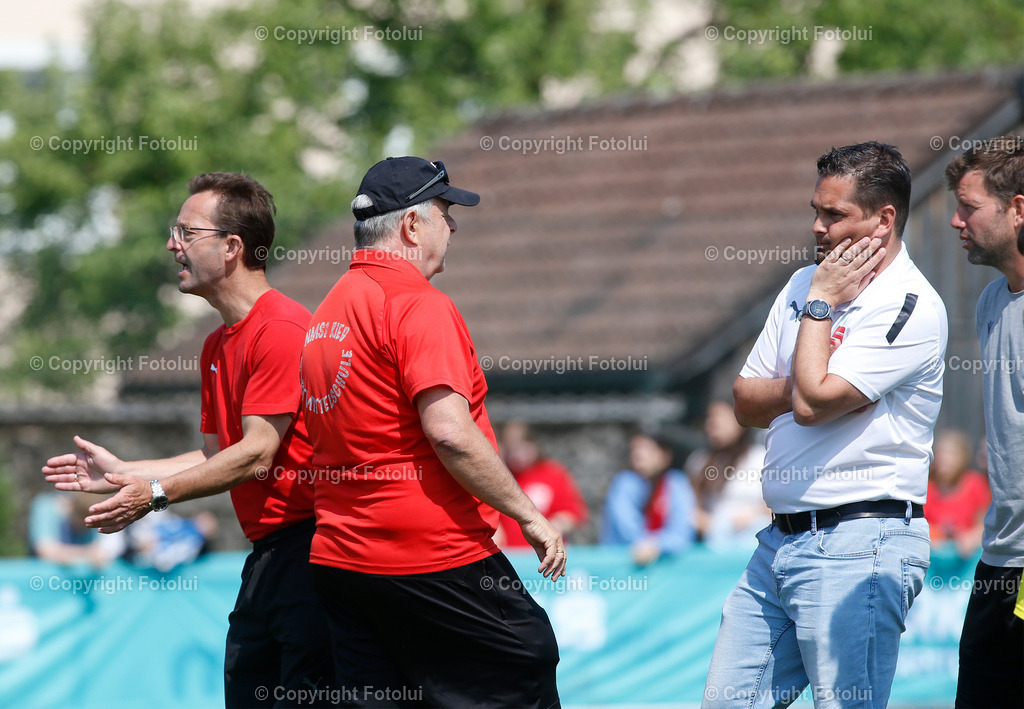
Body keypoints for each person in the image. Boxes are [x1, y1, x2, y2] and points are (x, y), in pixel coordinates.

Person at [40, 173, 333, 708]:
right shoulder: (217, 344)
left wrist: (154, 495)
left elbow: (257, 453)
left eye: (186, 232)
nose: (171, 244)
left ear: (232, 247)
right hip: (269, 559)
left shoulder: (283, 328)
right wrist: (124, 473)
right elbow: (216, 454)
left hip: (312, 555)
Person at [299, 156, 565, 708]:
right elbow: (449, 432)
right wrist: (529, 515)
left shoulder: (328, 310)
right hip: (428, 552)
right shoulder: (417, 304)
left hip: (343, 558)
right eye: (445, 213)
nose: (454, 226)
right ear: (411, 225)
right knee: (525, 660)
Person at [703, 142, 947, 709]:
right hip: (778, 541)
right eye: (816, 210)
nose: (817, 227)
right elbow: (744, 401)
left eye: (834, 214)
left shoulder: (908, 303)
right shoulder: (802, 282)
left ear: (883, 219)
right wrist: (810, 382)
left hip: (861, 539)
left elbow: (812, 404)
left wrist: (818, 310)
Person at [944, 137, 1024, 709]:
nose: (956, 221)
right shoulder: (992, 300)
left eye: (969, 207)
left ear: (1017, 209)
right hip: (997, 560)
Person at [601, 431, 696, 566]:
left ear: (665, 456)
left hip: (667, 565)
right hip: (624, 563)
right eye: (635, 449)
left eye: (647, 449)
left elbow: (682, 532)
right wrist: (647, 546)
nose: (639, 454)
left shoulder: (676, 482)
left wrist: (657, 545)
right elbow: (627, 530)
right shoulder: (624, 483)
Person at [685, 400, 769, 550]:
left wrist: (754, 516)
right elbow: (690, 508)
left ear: (739, 420)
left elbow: (774, 506)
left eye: (721, 417)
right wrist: (715, 526)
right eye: (710, 417)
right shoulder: (699, 461)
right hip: (713, 545)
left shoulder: (760, 458)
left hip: (755, 542)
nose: (714, 423)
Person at [495, 421, 589, 548]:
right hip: (509, 552)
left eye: (522, 449)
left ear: (534, 446)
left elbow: (572, 512)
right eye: (511, 450)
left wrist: (555, 526)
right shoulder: (500, 477)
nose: (516, 456)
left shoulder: (552, 473)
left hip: (545, 551)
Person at [923, 429, 990, 558]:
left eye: (950, 454)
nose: (944, 459)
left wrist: (971, 537)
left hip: (967, 556)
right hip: (936, 556)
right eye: (941, 453)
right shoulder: (928, 488)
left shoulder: (975, 484)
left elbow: (984, 524)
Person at [29, 492, 125, 567]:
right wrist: (88, 554)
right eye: (81, 518)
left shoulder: (96, 516)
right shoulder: (47, 507)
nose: (83, 525)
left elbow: (102, 553)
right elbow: (46, 551)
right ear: (70, 506)